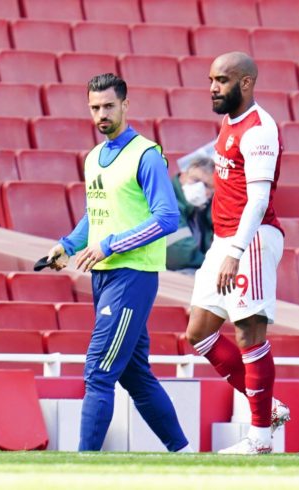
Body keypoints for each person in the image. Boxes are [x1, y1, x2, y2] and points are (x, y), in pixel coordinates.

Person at [43, 73, 192, 453]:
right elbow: (98, 214)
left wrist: (110, 246)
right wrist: (68, 244)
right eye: (95, 107)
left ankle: (84, 464)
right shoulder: (94, 157)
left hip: (133, 275)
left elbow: (166, 218)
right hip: (105, 277)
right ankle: (183, 453)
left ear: (126, 104)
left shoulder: (146, 155)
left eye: (109, 106)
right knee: (135, 375)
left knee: (98, 371)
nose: (101, 114)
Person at [184, 52, 290, 455]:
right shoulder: (228, 123)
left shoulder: (260, 129)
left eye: (222, 80)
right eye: (211, 79)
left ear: (246, 83)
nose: (213, 87)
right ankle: (268, 407)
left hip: (253, 241)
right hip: (225, 240)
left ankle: (260, 438)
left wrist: (236, 252)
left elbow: (259, 199)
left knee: (248, 333)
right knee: (199, 332)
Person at [166, 155, 214, 272]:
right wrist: (213, 265)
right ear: (183, 176)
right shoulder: (165, 201)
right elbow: (179, 255)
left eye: (207, 185)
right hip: (167, 273)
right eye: (195, 180)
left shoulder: (203, 209)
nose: (200, 188)